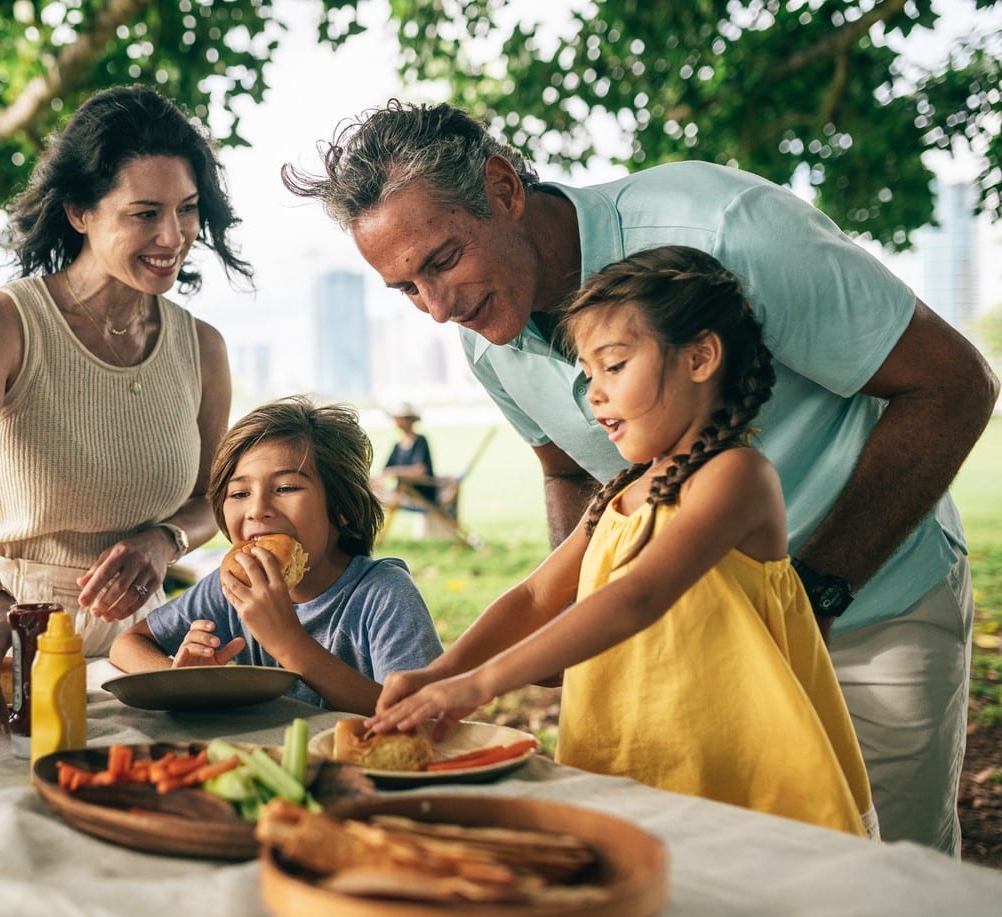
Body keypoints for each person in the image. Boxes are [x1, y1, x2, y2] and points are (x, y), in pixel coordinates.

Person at [283, 100, 998, 854]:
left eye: (442, 261)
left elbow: (955, 386)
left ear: (501, 188)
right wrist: (461, 667)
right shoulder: (486, 340)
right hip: (695, 668)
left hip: (875, 613)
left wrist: (813, 595)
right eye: (405, 289)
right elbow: (565, 478)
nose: (435, 308)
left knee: (884, 888)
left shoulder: (722, 227)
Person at [370, 246, 876, 837]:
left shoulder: (736, 477)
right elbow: (535, 597)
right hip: (634, 753)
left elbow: (638, 596)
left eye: (614, 366)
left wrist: (478, 686)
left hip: (737, 772)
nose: (595, 394)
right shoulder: (621, 494)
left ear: (700, 356)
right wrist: (441, 673)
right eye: (588, 374)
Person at [0, 85, 252, 739]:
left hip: (141, 641)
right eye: (145, 213)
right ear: (79, 211)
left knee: (137, 802)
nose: (173, 236)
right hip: (7, 628)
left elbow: (212, 497)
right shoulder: (0, 325)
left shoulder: (201, 348)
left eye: (186, 210)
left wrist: (165, 541)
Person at [109, 396, 444, 715]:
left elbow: (421, 713)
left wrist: (287, 641)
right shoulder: (234, 586)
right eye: (239, 493)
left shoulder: (384, 594)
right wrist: (184, 683)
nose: (257, 510)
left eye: (286, 488)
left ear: (342, 507)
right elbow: (128, 644)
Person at [375, 402, 438, 504]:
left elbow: (420, 470)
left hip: (419, 492)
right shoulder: (397, 445)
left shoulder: (420, 441)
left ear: (409, 420)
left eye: (399, 418)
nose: (396, 422)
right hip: (404, 491)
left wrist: (395, 472)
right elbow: (386, 470)